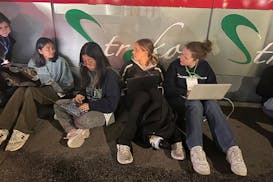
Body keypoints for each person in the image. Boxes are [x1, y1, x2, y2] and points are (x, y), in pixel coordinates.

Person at [164, 40, 247, 176]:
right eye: (182, 54)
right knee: (195, 104)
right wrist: (184, 93)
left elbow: (212, 85)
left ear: (195, 60)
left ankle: (232, 149)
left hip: (200, 99)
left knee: (211, 104)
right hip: (180, 101)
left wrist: (211, 94)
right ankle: (196, 149)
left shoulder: (205, 67)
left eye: (185, 57)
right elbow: (168, 88)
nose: (181, 58)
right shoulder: (175, 66)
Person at [116, 38, 185, 165]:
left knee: (158, 97)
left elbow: (164, 86)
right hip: (133, 101)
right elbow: (120, 84)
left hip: (153, 101)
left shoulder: (158, 68)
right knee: (142, 96)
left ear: (145, 51)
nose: (133, 52)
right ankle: (123, 144)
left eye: (136, 49)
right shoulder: (128, 66)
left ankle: (177, 142)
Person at [0, 37, 74, 151]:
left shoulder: (60, 62)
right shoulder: (33, 61)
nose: (52, 51)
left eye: (53, 48)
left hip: (55, 92)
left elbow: (69, 84)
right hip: (36, 89)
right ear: (40, 51)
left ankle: (22, 130)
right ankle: (2, 127)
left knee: (30, 92)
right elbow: (29, 77)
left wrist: (56, 86)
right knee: (21, 90)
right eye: (48, 49)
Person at [54, 42, 120, 148]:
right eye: (84, 62)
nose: (88, 65)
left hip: (103, 112)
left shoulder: (110, 75)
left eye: (90, 61)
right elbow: (85, 89)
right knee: (58, 105)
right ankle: (73, 131)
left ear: (99, 59)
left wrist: (90, 106)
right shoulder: (86, 71)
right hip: (87, 106)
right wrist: (80, 95)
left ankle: (79, 125)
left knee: (83, 120)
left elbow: (111, 104)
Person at [0, 12, 17, 107]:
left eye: (6, 26)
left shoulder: (9, 39)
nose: (4, 30)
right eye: (0, 28)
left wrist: (8, 63)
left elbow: (8, 55)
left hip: (4, 66)